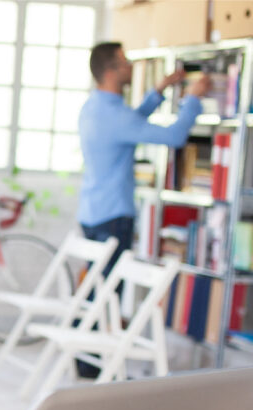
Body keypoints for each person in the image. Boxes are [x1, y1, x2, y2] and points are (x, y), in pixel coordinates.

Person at [78, 42, 211, 272]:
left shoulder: (93, 107)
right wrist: (192, 99)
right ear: (111, 72)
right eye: (125, 62)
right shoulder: (118, 116)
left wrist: (158, 91)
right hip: (113, 215)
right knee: (109, 293)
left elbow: (131, 123)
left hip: (91, 212)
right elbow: (175, 136)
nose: (130, 67)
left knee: (97, 288)